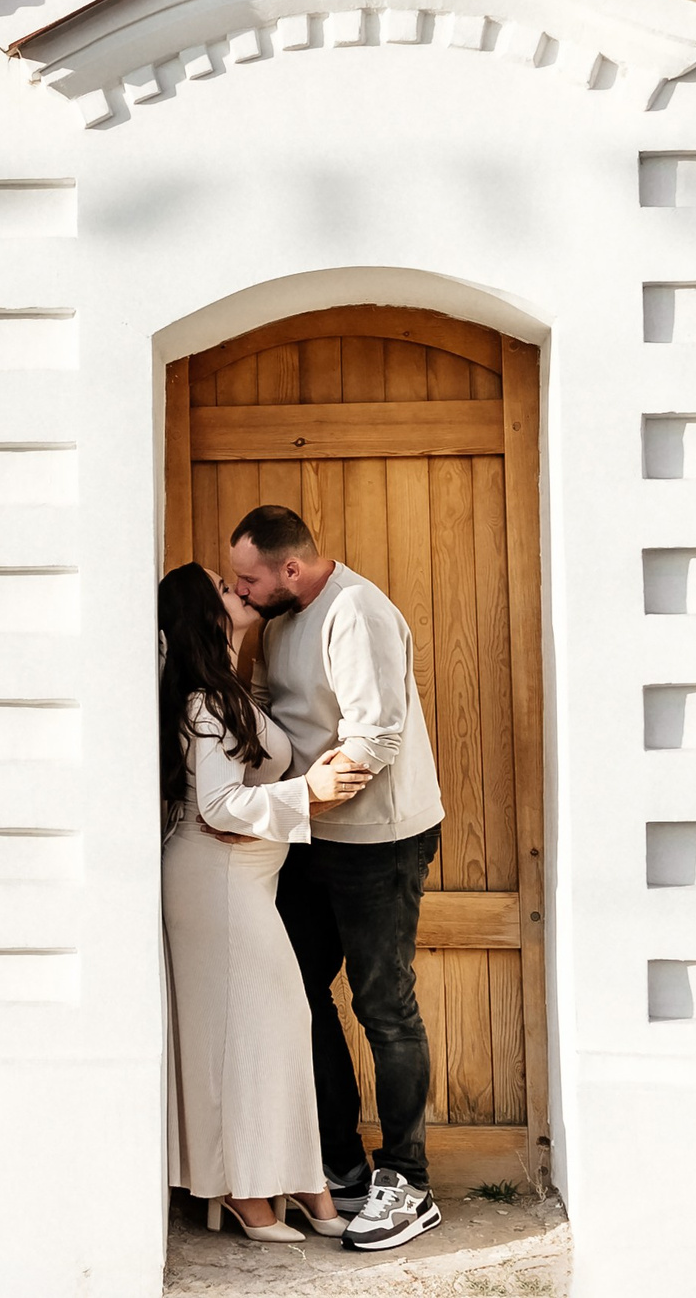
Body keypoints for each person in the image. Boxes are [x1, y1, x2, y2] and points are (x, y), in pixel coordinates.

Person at [228, 504, 448, 1253]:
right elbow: (267, 710)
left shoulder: (355, 610)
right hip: (308, 834)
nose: (242, 590)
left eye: (249, 578)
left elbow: (376, 733)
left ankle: (407, 1182)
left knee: (384, 1003)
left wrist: (305, 793)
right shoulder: (278, 617)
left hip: (379, 839)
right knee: (296, 988)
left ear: (291, 567)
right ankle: (342, 1158)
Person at [158, 562, 374, 1244]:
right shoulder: (202, 701)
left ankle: (301, 1181)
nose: (240, 589)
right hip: (215, 880)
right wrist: (308, 790)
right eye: (225, 587)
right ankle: (252, 1192)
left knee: (273, 1031)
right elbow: (220, 806)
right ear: (205, 615)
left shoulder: (230, 691)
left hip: (245, 877)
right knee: (253, 1035)